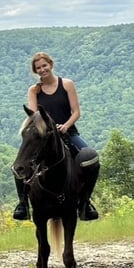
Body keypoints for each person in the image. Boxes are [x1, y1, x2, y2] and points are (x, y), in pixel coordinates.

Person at [13, 51, 99, 221]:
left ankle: (85, 202)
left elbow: (76, 111)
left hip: (68, 132)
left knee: (91, 159)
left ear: (51, 65)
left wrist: (66, 126)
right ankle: (23, 204)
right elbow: (35, 116)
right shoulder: (34, 90)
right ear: (35, 71)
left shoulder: (66, 84)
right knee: (20, 164)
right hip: (45, 136)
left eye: (44, 66)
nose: (42, 69)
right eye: (38, 68)